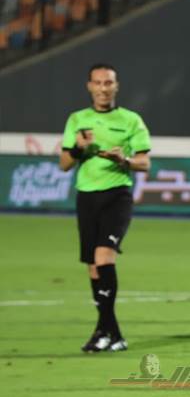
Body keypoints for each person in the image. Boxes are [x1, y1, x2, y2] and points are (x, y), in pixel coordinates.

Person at [59, 63, 151, 353]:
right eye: (98, 83)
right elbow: (64, 164)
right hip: (86, 197)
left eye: (108, 83)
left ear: (116, 86)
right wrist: (78, 148)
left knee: (103, 257)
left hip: (117, 196)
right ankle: (111, 333)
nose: (103, 88)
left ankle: (105, 331)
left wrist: (124, 160)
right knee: (93, 267)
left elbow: (144, 163)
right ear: (89, 86)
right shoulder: (77, 119)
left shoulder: (131, 120)